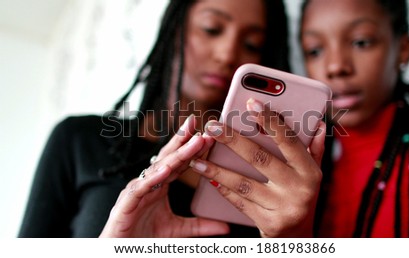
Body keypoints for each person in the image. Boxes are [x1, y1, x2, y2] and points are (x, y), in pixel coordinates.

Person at [19, 0, 325, 238]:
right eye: (212, 29)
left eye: (251, 45)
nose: (227, 54)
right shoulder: (79, 139)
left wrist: (291, 239)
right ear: (175, 27)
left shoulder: (273, 181)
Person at [299, 0, 409, 237]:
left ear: (403, 49)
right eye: (315, 50)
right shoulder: (305, 172)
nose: (336, 66)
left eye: (361, 42)